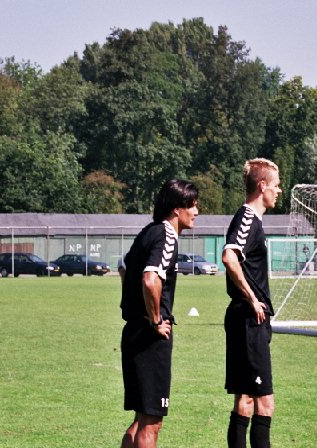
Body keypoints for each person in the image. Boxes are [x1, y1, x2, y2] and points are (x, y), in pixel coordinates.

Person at [120, 179, 199, 448]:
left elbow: (123, 266)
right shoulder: (166, 235)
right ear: (177, 209)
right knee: (152, 423)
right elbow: (149, 279)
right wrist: (154, 320)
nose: (196, 212)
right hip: (149, 337)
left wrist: (135, 306)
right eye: (192, 205)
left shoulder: (147, 232)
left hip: (132, 332)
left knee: (139, 421)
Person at [223, 158, 282, 448]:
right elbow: (229, 257)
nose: (278, 191)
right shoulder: (247, 217)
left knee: (245, 400)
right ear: (262, 186)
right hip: (249, 319)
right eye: (275, 185)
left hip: (247, 320)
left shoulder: (254, 221)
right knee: (264, 402)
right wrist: (253, 299)